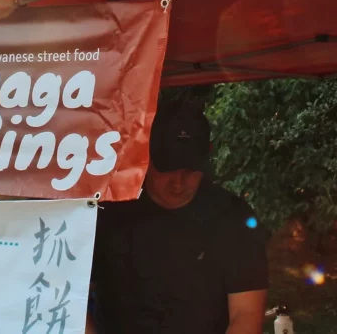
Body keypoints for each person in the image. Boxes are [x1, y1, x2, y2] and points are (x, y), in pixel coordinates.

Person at [87, 95, 268, 334]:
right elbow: (71, 299)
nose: (179, 182)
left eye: (191, 170)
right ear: (146, 157)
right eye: (168, 169)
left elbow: (246, 314)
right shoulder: (108, 213)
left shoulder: (234, 218)